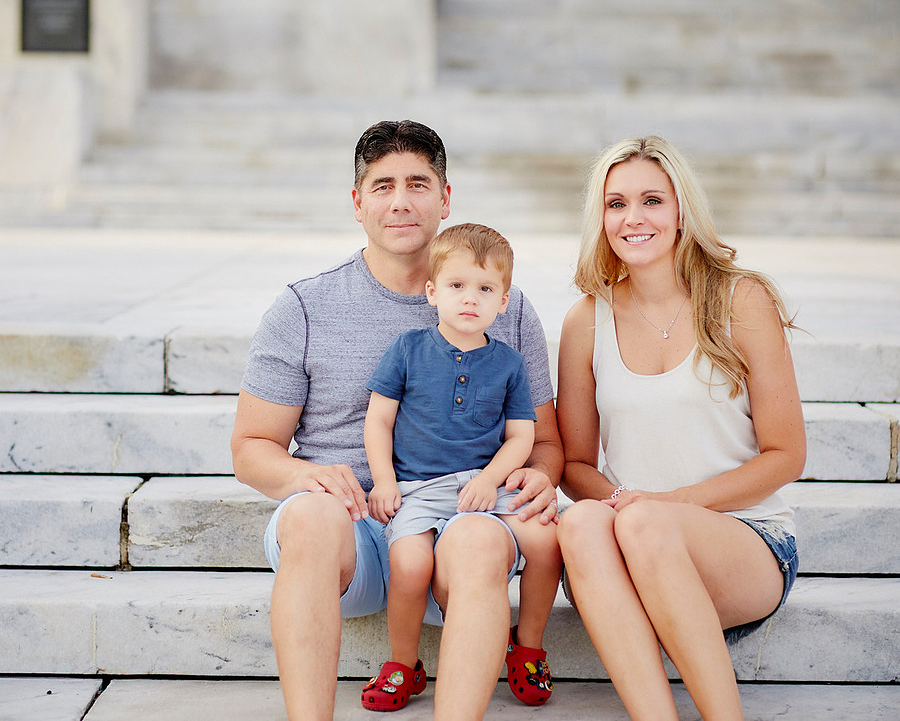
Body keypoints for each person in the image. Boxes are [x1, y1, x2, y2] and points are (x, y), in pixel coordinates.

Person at [230, 120, 563, 721]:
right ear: (358, 203)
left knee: (484, 536)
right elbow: (252, 447)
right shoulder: (304, 306)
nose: (401, 201)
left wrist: (539, 476)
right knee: (305, 517)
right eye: (383, 186)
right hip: (353, 529)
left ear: (445, 196)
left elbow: (545, 443)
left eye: (418, 183)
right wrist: (304, 477)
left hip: (459, 523)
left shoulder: (503, 306)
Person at [554, 135, 804, 720]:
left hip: (744, 541)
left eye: (652, 201)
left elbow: (786, 454)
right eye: (616, 204)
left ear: (682, 211)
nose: (633, 218)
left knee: (641, 522)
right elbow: (573, 466)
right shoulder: (585, 320)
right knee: (584, 522)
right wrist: (631, 506)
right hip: (630, 540)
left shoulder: (741, 299)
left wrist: (666, 506)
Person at [361, 223, 561, 712]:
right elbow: (379, 420)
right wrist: (385, 481)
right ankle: (403, 665)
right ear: (432, 292)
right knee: (409, 567)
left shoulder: (509, 364)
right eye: (456, 286)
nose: (470, 299)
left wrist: (491, 480)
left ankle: (528, 645)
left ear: (504, 299)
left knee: (547, 540)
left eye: (485, 288)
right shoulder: (407, 350)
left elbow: (521, 436)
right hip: (418, 487)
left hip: (485, 484)